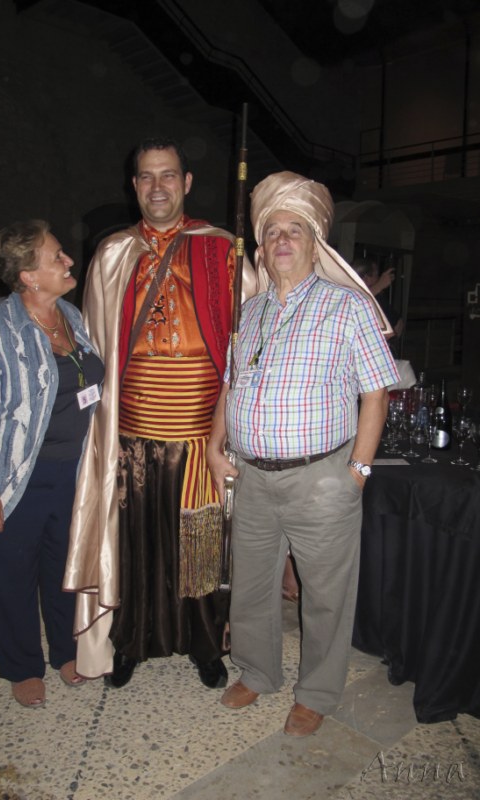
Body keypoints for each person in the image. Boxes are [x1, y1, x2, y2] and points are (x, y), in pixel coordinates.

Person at [206, 172, 399, 736]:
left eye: (295, 229)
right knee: (252, 587)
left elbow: (376, 393)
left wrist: (357, 471)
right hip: (252, 477)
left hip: (322, 478)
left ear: (316, 244)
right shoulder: (250, 312)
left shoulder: (348, 306)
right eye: (272, 231)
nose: (282, 239)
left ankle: (316, 692)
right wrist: (215, 445)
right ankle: (257, 672)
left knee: (326, 597)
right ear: (262, 249)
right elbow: (231, 383)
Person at [63, 137, 258, 689]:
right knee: (136, 544)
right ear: (134, 186)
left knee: (200, 543)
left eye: (168, 175)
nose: (157, 187)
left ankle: (205, 642)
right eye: (146, 176)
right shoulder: (113, 253)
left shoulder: (223, 249)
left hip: (202, 433)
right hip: (132, 433)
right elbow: (94, 343)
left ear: (186, 183)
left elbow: (253, 341)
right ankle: (131, 640)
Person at [0, 220, 103, 708]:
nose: (69, 261)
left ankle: (66, 650)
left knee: (62, 569)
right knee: (8, 577)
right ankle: (21, 666)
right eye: (57, 257)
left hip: (70, 473)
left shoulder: (71, 316)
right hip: (10, 478)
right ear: (28, 276)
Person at [352, 256, 404, 340]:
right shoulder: (357, 296)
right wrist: (379, 285)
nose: (379, 278)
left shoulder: (375, 296)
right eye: (376, 275)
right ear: (366, 278)